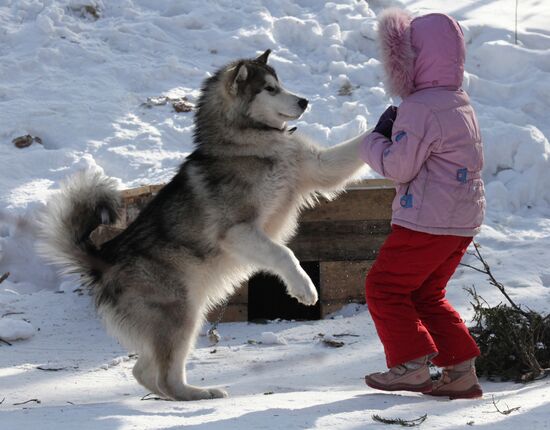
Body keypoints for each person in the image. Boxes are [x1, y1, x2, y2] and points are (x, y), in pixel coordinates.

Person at [359, 8, 485, 399]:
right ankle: (461, 371)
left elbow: (400, 167)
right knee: (426, 294)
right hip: (460, 221)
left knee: (384, 287)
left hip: (426, 221)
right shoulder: (459, 102)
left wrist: (376, 140)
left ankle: (410, 367)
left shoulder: (420, 107)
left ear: (406, 59)